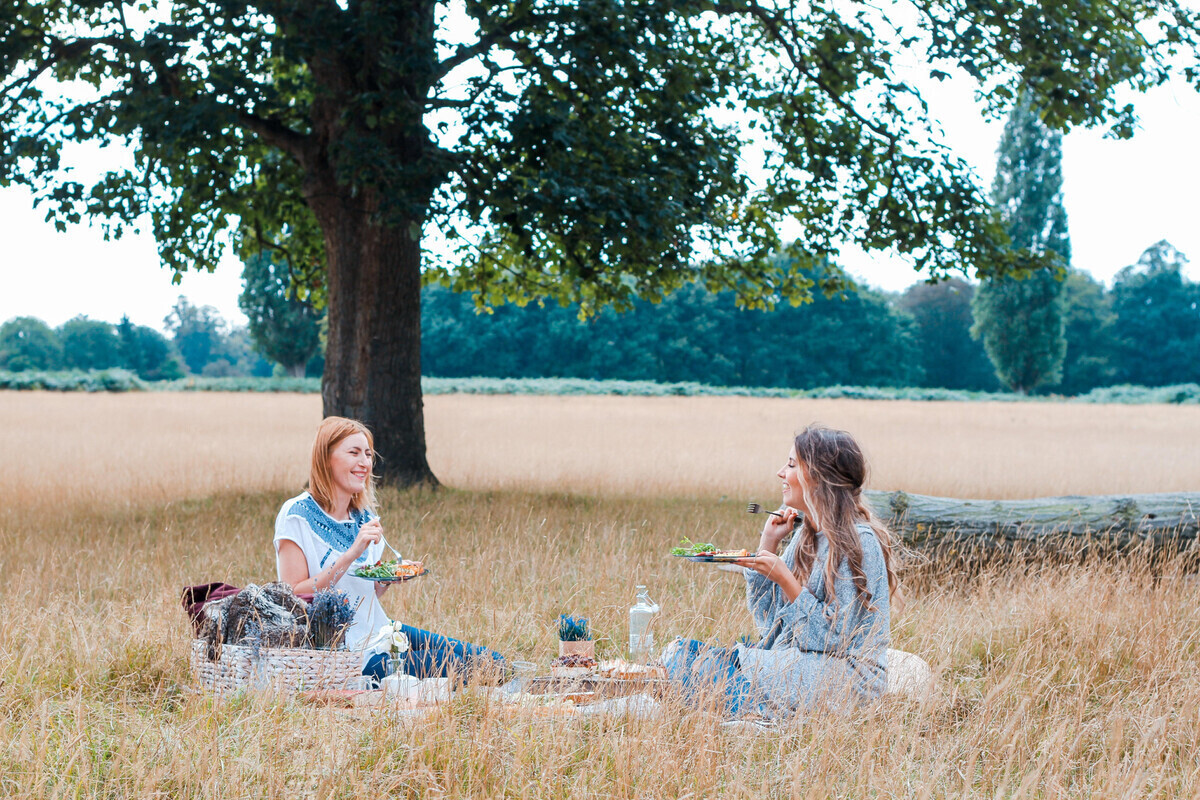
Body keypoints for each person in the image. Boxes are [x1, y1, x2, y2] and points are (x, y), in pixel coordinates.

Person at [663, 423, 901, 718]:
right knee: (680, 652)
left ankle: (760, 715)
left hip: (846, 677)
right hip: (803, 663)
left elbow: (833, 640)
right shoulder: (807, 535)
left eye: (791, 465)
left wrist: (786, 580)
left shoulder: (859, 542)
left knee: (707, 668)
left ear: (816, 477)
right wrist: (769, 543)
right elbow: (768, 621)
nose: (780, 473)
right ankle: (745, 708)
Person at [274, 416, 507, 684]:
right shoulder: (296, 514)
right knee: (469, 669)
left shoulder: (364, 517)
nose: (364, 462)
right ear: (325, 458)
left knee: (493, 663)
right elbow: (293, 595)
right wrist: (351, 554)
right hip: (346, 655)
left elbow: (363, 595)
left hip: (382, 633)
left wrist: (383, 581)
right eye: (354, 453)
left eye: (368, 454)